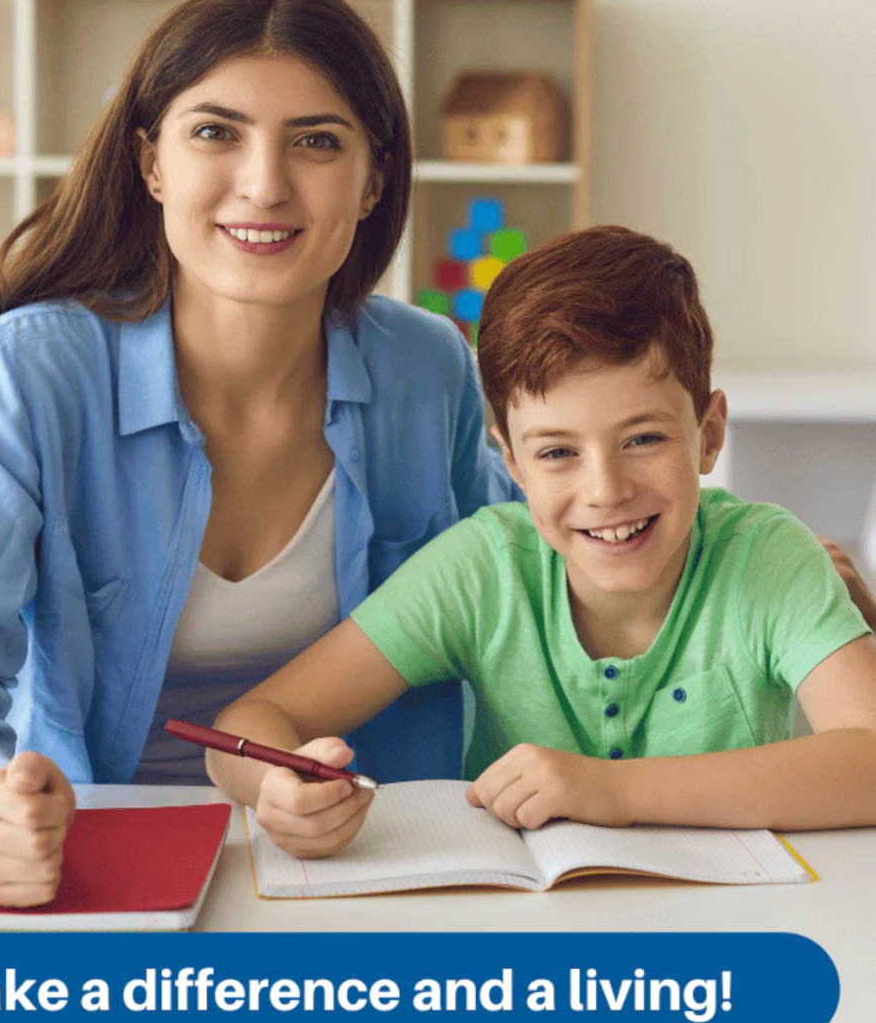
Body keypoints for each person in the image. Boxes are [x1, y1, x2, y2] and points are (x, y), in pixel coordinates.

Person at [0, 0, 518, 906]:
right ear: (152, 164)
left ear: (374, 179)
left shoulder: (429, 368)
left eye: (317, 141)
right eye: (216, 132)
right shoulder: (28, 372)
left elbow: (530, 585)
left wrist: (728, 551)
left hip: (371, 858)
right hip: (96, 861)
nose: (265, 182)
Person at [208, 226, 876, 856]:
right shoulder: (484, 568)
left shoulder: (768, 556)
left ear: (708, 433)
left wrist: (608, 791)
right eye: (558, 452)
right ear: (512, 462)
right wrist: (276, 786)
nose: (606, 490)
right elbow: (246, 723)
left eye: (643, 439)